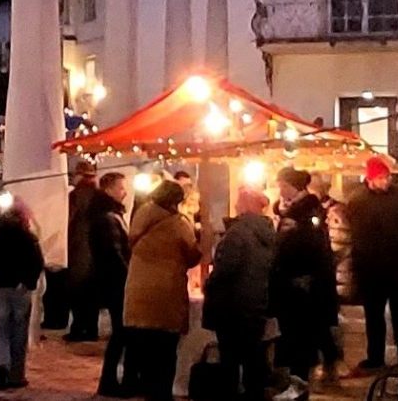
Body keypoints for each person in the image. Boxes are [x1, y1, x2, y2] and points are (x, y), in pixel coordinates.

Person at [121, 179, 201, 401]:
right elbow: (193, 255)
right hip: (165, 294)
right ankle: (160, 395)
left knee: (143, 350)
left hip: (137, 292)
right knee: (164, 353)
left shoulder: (141, 215)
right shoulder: (178, 224)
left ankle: (145, 390)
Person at [347, 155, 398, 373]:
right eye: (381, 177)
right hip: (372, 270)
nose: (386, 181)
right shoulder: (358, 202)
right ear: (370, 178)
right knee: (374, 316)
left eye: (387, 177)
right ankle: (375, 357)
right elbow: (358, 237)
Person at [203, 187, 276, 401]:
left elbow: (225, 269)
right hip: (256, 302)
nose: (235, 206)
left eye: (238, 202)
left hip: (232, 306)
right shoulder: (267, 233)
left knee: (230, 359)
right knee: (253, 356)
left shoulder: (238, 233)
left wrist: (209, 284)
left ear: (246, 205)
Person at [270, 167, 338, 383]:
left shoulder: (305, 212)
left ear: (291, 186)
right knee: (314, 327)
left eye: (282, 186)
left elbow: (307, 246)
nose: (280, 191)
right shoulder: (303, 210)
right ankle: (327, 359)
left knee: (301, 330)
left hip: (302, 280)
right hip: (306, 280)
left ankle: (300, 378)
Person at [0, 196, 44, 390]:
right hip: (20, 288)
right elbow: (36, 263)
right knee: (19, 332)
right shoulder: (28, 238)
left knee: (2, 331)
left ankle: (1, 370)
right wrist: (27, 282)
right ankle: (16, 375)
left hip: (2, 287)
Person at [88, 171, 133, 397]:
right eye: (121, 187)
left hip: (112, 281)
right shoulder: (108, 218)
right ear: (109, 189)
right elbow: (114, 253)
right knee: (121, 333)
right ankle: (109, 380)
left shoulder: (108, 215)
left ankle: (113, 379)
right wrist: (129, 276)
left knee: (121, 333)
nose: (124, 192)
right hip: (116, 283)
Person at [310, 172, 350, 373]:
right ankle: (330, 355)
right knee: (325, 317)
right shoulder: (320, 211)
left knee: (327, 316)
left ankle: (332, 355)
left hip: (334, 274)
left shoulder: (334, 212)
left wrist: (324, 259)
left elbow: (339, 243)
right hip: (328, 272)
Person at [65, 159, 101, 340]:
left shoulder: (76, 195)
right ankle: (91, 329)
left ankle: (78, 328)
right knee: (91, 291)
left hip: (79, 246)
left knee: (78, 290)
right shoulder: (99, 195)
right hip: (94, 248)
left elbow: (70, 219)